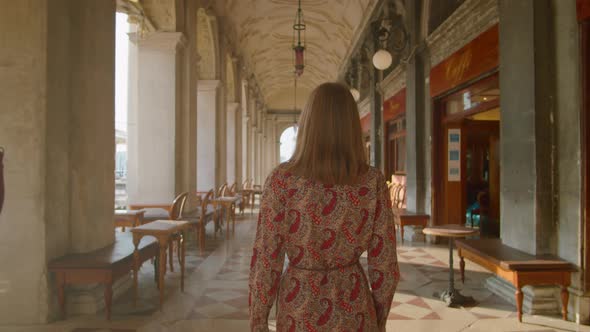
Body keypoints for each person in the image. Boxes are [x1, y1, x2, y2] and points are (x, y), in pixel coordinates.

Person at [248, 82, 400, 332]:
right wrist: (379, 319)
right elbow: (385, 264)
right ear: (352, 125)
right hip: (354, 305)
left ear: (308, 123)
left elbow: (266, 258)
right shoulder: (372, 182)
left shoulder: (282, 180)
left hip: (299, 305)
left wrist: (258, 320)